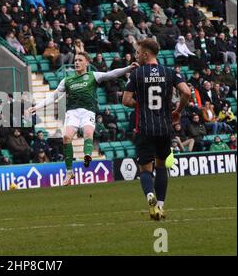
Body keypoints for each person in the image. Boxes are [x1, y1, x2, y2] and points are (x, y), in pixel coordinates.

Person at [29, 52, 139, 185]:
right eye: (75, 60)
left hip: (87, 112)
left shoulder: (93, 76)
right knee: (66, 137)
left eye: (80, 60)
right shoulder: (67, 80)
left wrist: (128, 68)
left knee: (88, 133)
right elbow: (53, 96)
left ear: (87, 62)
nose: (76, 62)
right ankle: (69, 172)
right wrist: (37, 107)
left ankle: (87, 156)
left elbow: (112, 74)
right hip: (72, 112)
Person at [122, 39, 190, 221]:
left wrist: (141, 104)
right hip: (164, 128)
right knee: (161, 166)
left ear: (145, 54)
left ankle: (149, 196)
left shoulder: (136, 74)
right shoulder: (169, 73)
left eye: (138, 52)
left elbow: (126, 100)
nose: (136, 55)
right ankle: (160, 206)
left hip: (145, 128)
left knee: (145, 170)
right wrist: (178, 111)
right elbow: (187, 92)